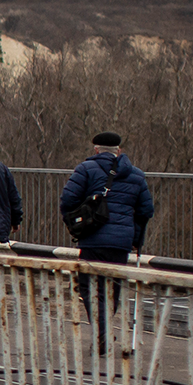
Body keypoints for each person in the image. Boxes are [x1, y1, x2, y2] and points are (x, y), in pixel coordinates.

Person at [61, 130, 155, 350]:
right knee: (112, 288)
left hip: (93, 239)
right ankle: (104, 330)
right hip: (121, 242)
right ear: (119, 151)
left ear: (96, 150)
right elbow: (146, 211)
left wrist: (75, 223)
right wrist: (136, 239)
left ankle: (102, 331)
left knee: (88, 286)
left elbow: (67, 199)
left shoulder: (85, 169)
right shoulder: (136, 175)